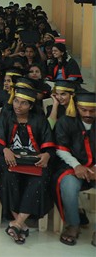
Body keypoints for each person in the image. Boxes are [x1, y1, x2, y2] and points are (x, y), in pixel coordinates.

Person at [0, 80, 55, 244]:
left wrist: (47, 155)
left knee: (39, 179)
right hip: (11, 158)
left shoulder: (39, 120)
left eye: (24, 103)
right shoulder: (6, 117)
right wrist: (5, 149)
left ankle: (16, 223)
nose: (18, 106)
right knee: (7, 177)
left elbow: (49, 146)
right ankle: (20, 223)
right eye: (16, 101)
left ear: (31, 106)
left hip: (33, 160)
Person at [52, 89, 96, 247]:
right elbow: (60, 148)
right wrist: (77, 165)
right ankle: (73, 225)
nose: (88, 114)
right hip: (71, 165)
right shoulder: (66, 121)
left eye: (93, 110)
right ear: (76, 107)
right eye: (84, 110)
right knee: (68, 185)